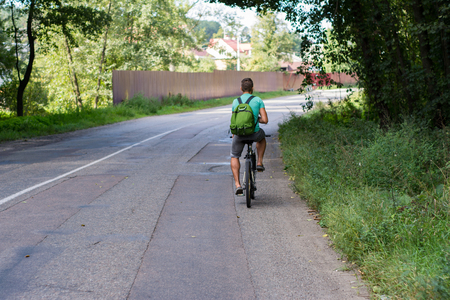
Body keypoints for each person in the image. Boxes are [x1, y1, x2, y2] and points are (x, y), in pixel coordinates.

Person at [231, 78, 268, 195]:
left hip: (239, 135)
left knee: (234, 156)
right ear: (253, 88)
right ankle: (259, 162)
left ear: (241, 89)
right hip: (254, 134)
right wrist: (256, 119)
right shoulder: (258, 100)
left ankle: (237, 185)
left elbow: (234, 121)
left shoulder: (235, 101)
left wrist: (234, 135)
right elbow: (265, 120)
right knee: (262, 137)